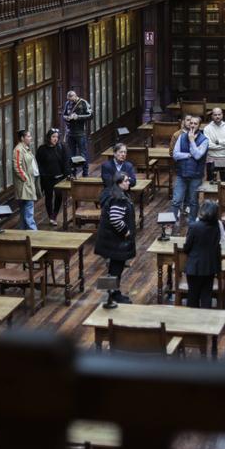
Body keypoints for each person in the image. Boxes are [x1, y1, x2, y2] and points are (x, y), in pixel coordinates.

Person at [94, 172, 136, 304]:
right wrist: (126, 232)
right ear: (119, 183)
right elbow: (115, 219)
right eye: (126, 181)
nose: (129, 183)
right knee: (116, 269)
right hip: (116, 242)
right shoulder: (118, 198)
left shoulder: (115, 193)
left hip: (111, 241)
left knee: (114, 268)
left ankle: (113, 293)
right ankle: (113, 295)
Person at [183, 200, 223, 309]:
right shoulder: (216, 227)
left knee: (193, 295)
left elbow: (187, 247)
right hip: (210, 267)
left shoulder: (194, 226)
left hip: (194, 266)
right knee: (206, 295)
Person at [171, 115, 208, 231]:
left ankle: (192, 224)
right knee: (176, 199)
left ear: (199, 125)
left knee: (193, 201)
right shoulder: (181, 137)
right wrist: (188, 155)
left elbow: (198, 155)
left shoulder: (204, 140)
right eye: (191, 123)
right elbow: (175, 154)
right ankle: (170, 223)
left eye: (195, 123)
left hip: (196, 175)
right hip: (182, 173)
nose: (192, 125)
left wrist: (192, 141)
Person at [36, 128, 71, 226]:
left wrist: (67, 174)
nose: (55, 139)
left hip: (59, 177)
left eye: (57, 137)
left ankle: (55, 214)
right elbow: (38, 163)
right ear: (49, 138)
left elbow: (66, 162)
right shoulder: (42, 149)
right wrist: (42, 174)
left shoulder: (61, 147)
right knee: (48, 196)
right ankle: (50, 215)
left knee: (59, 196)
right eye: (53, 137)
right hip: (47, 178)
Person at [12, 129, 41, 230]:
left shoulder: (26, 148)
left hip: (29, 182)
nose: (30, 138)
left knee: (25, 209)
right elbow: (17, 167)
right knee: (29, 209)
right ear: (22, 138)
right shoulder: (18, 149)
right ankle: (33, 232)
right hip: (25, 184)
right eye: (28, 136)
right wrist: (26, 179)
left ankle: (23, 231)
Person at [62, 90, 93, 177]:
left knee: (83, 153)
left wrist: (78, 117)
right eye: (69, 100)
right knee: (71, 153)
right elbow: (63, 115)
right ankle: (73, 172)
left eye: (72, 100)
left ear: (75, 96)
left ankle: (85, 172)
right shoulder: (67, 103)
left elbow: (91, 115)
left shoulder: (83, 103)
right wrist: (66, 118)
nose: (70, 102)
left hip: (80, 133)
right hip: (70, 133)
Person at [203, 107, 225, 182]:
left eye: (219, 114)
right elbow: (208, 145)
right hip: (211, 158)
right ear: (212, 116)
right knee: (210, 182)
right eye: (215, 115)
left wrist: (218, 142)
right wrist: (224, 146)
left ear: (222, 115)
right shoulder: (207, 128)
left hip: (224, 157)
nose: (217, 116)